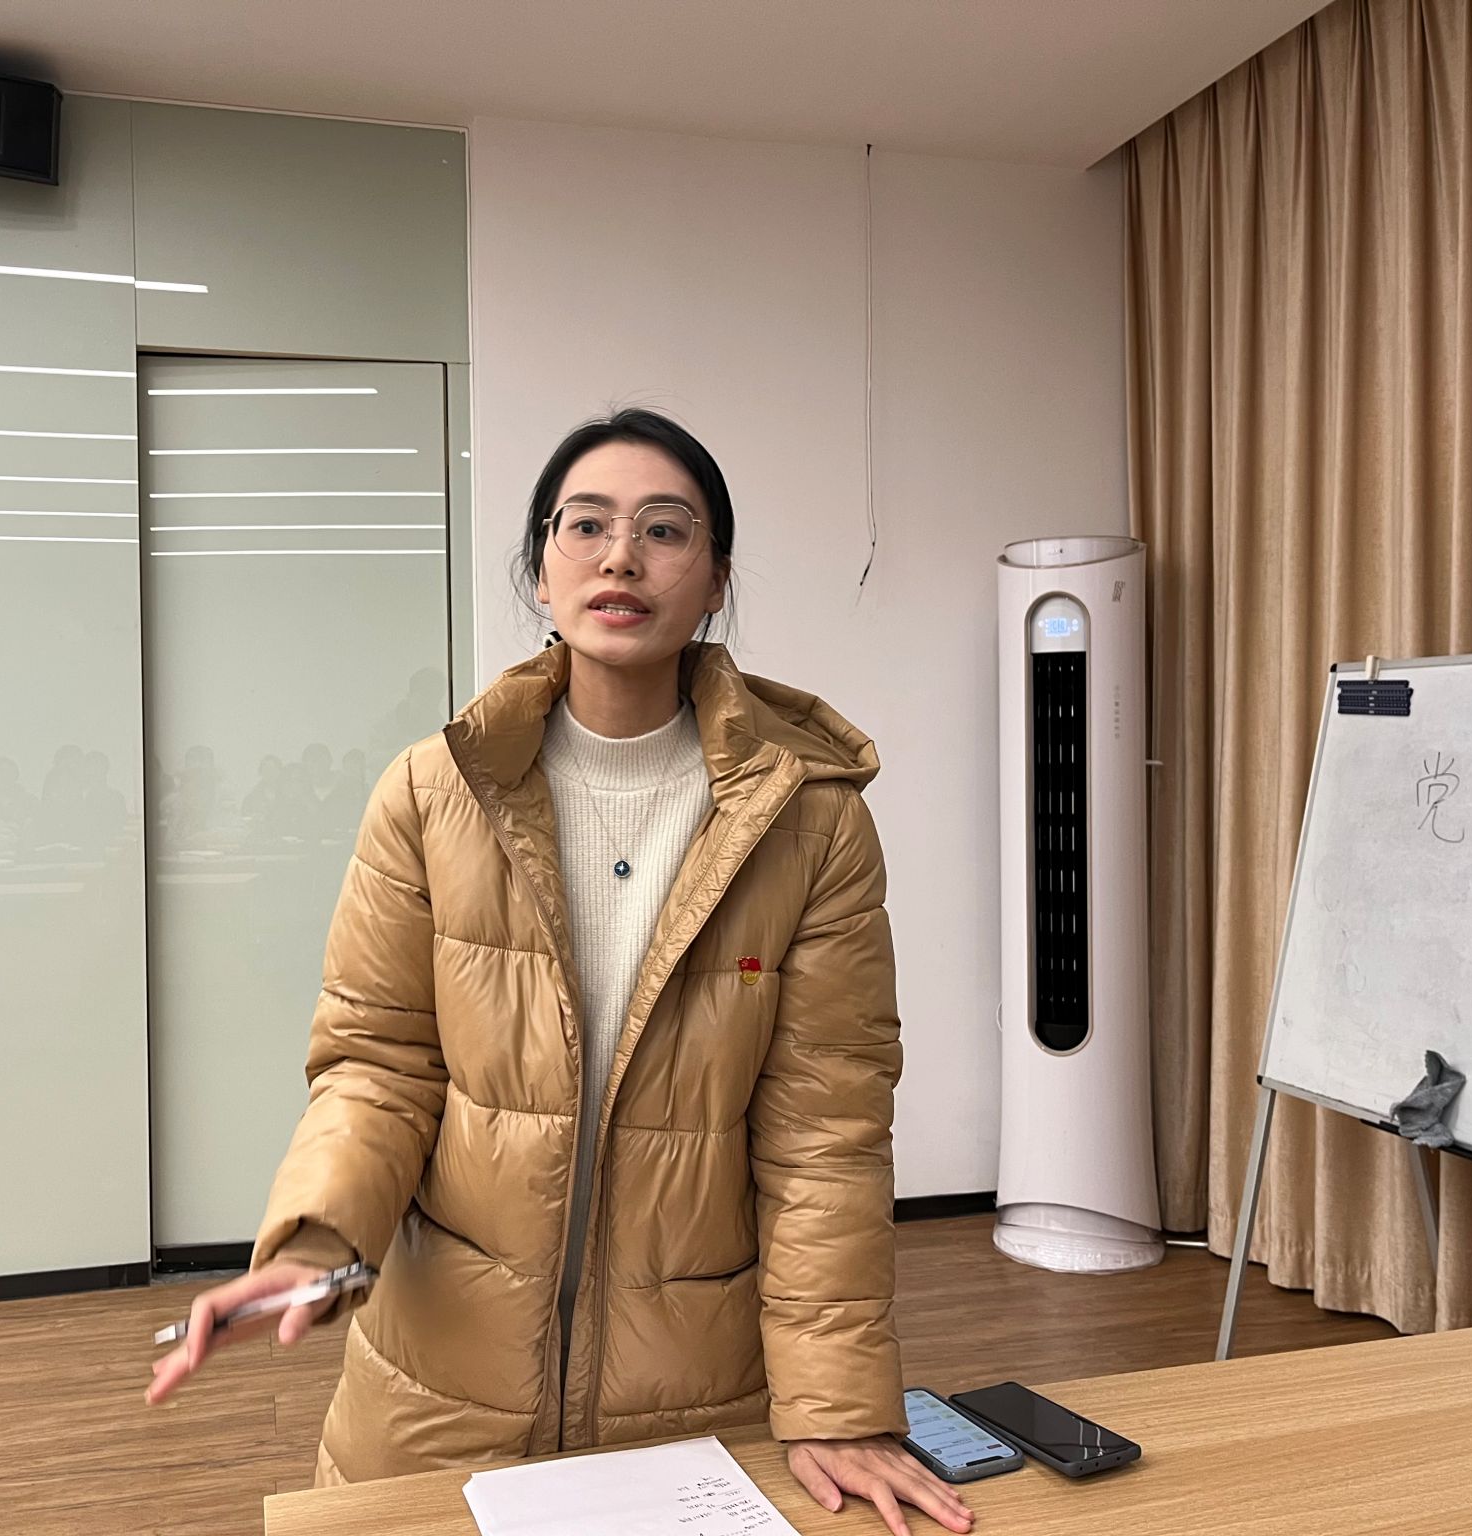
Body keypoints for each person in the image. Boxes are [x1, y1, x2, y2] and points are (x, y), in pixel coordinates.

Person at [146, 410, 968, 1536]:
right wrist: (318, 1244)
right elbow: (378, 1066)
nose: (620, 556)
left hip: (691, 1381)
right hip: (441, 1380)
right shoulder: (432, 793)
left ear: (715, 579)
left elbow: (824, 1132)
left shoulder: (808, 823)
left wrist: (836, 1403)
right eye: (585, 525)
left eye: (664, 530)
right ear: (541, 570)